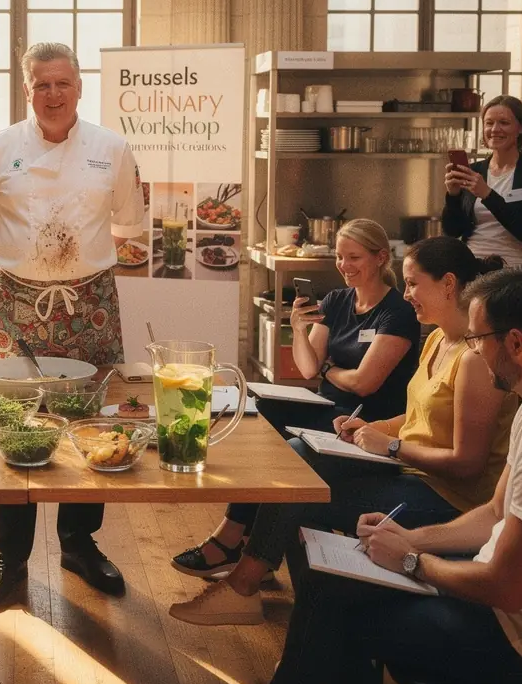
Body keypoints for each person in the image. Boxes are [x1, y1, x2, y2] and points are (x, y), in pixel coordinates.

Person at [169, 237, 518, 625]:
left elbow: (467, 465)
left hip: (448, 498)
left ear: (449, 284)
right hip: (413, 471)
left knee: (302, 493)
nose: (407, 294)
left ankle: (262, 592)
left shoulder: (472, 360)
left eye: (413, 283)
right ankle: (289, 600)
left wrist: (391, 447)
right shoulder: (437, 338)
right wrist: (370, 427)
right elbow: (419, 416)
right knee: (299, 458)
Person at [251, 265, 522, 684]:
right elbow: (492, 513)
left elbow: (506, 588)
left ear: (517, 343)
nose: (473, 349)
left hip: (521, 644)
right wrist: (406, 537)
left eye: (478, 338)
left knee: (335, 611)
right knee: (330, 580)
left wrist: (410, 561)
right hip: (502, 608)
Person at [0, 42, 145, 605]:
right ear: (27, 90)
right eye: (41, 84)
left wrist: (72, 266)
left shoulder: (112, 149)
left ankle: (79, 543)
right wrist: (32, 268)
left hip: (88, 300)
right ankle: (9, 554)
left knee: (88, 421)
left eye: (62, 83)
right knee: (14, 422)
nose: (52, 94)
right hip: (17, 302)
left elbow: (128, 225)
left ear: (80, 87)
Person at [172, 219, 420, 583]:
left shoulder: (396, 312)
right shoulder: (337, 300)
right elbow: (307, 368)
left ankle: (231, 541)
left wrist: (329, 369)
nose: (344, 265)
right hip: (327, 408)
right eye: (339, 256)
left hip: (365, 424)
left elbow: (365, 384)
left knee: (282, 448)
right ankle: (234, 537)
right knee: (261, 412)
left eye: (354, 257)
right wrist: (300, 330)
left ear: (381, 258)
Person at [443, 94, 522, 266]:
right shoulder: (474, 171)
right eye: (489, 123)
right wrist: (453, 196)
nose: (495, 129)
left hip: (517, 270)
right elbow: (453, 231)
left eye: (504, 123)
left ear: (521, 128)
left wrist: (488, 195)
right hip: (473, 266)